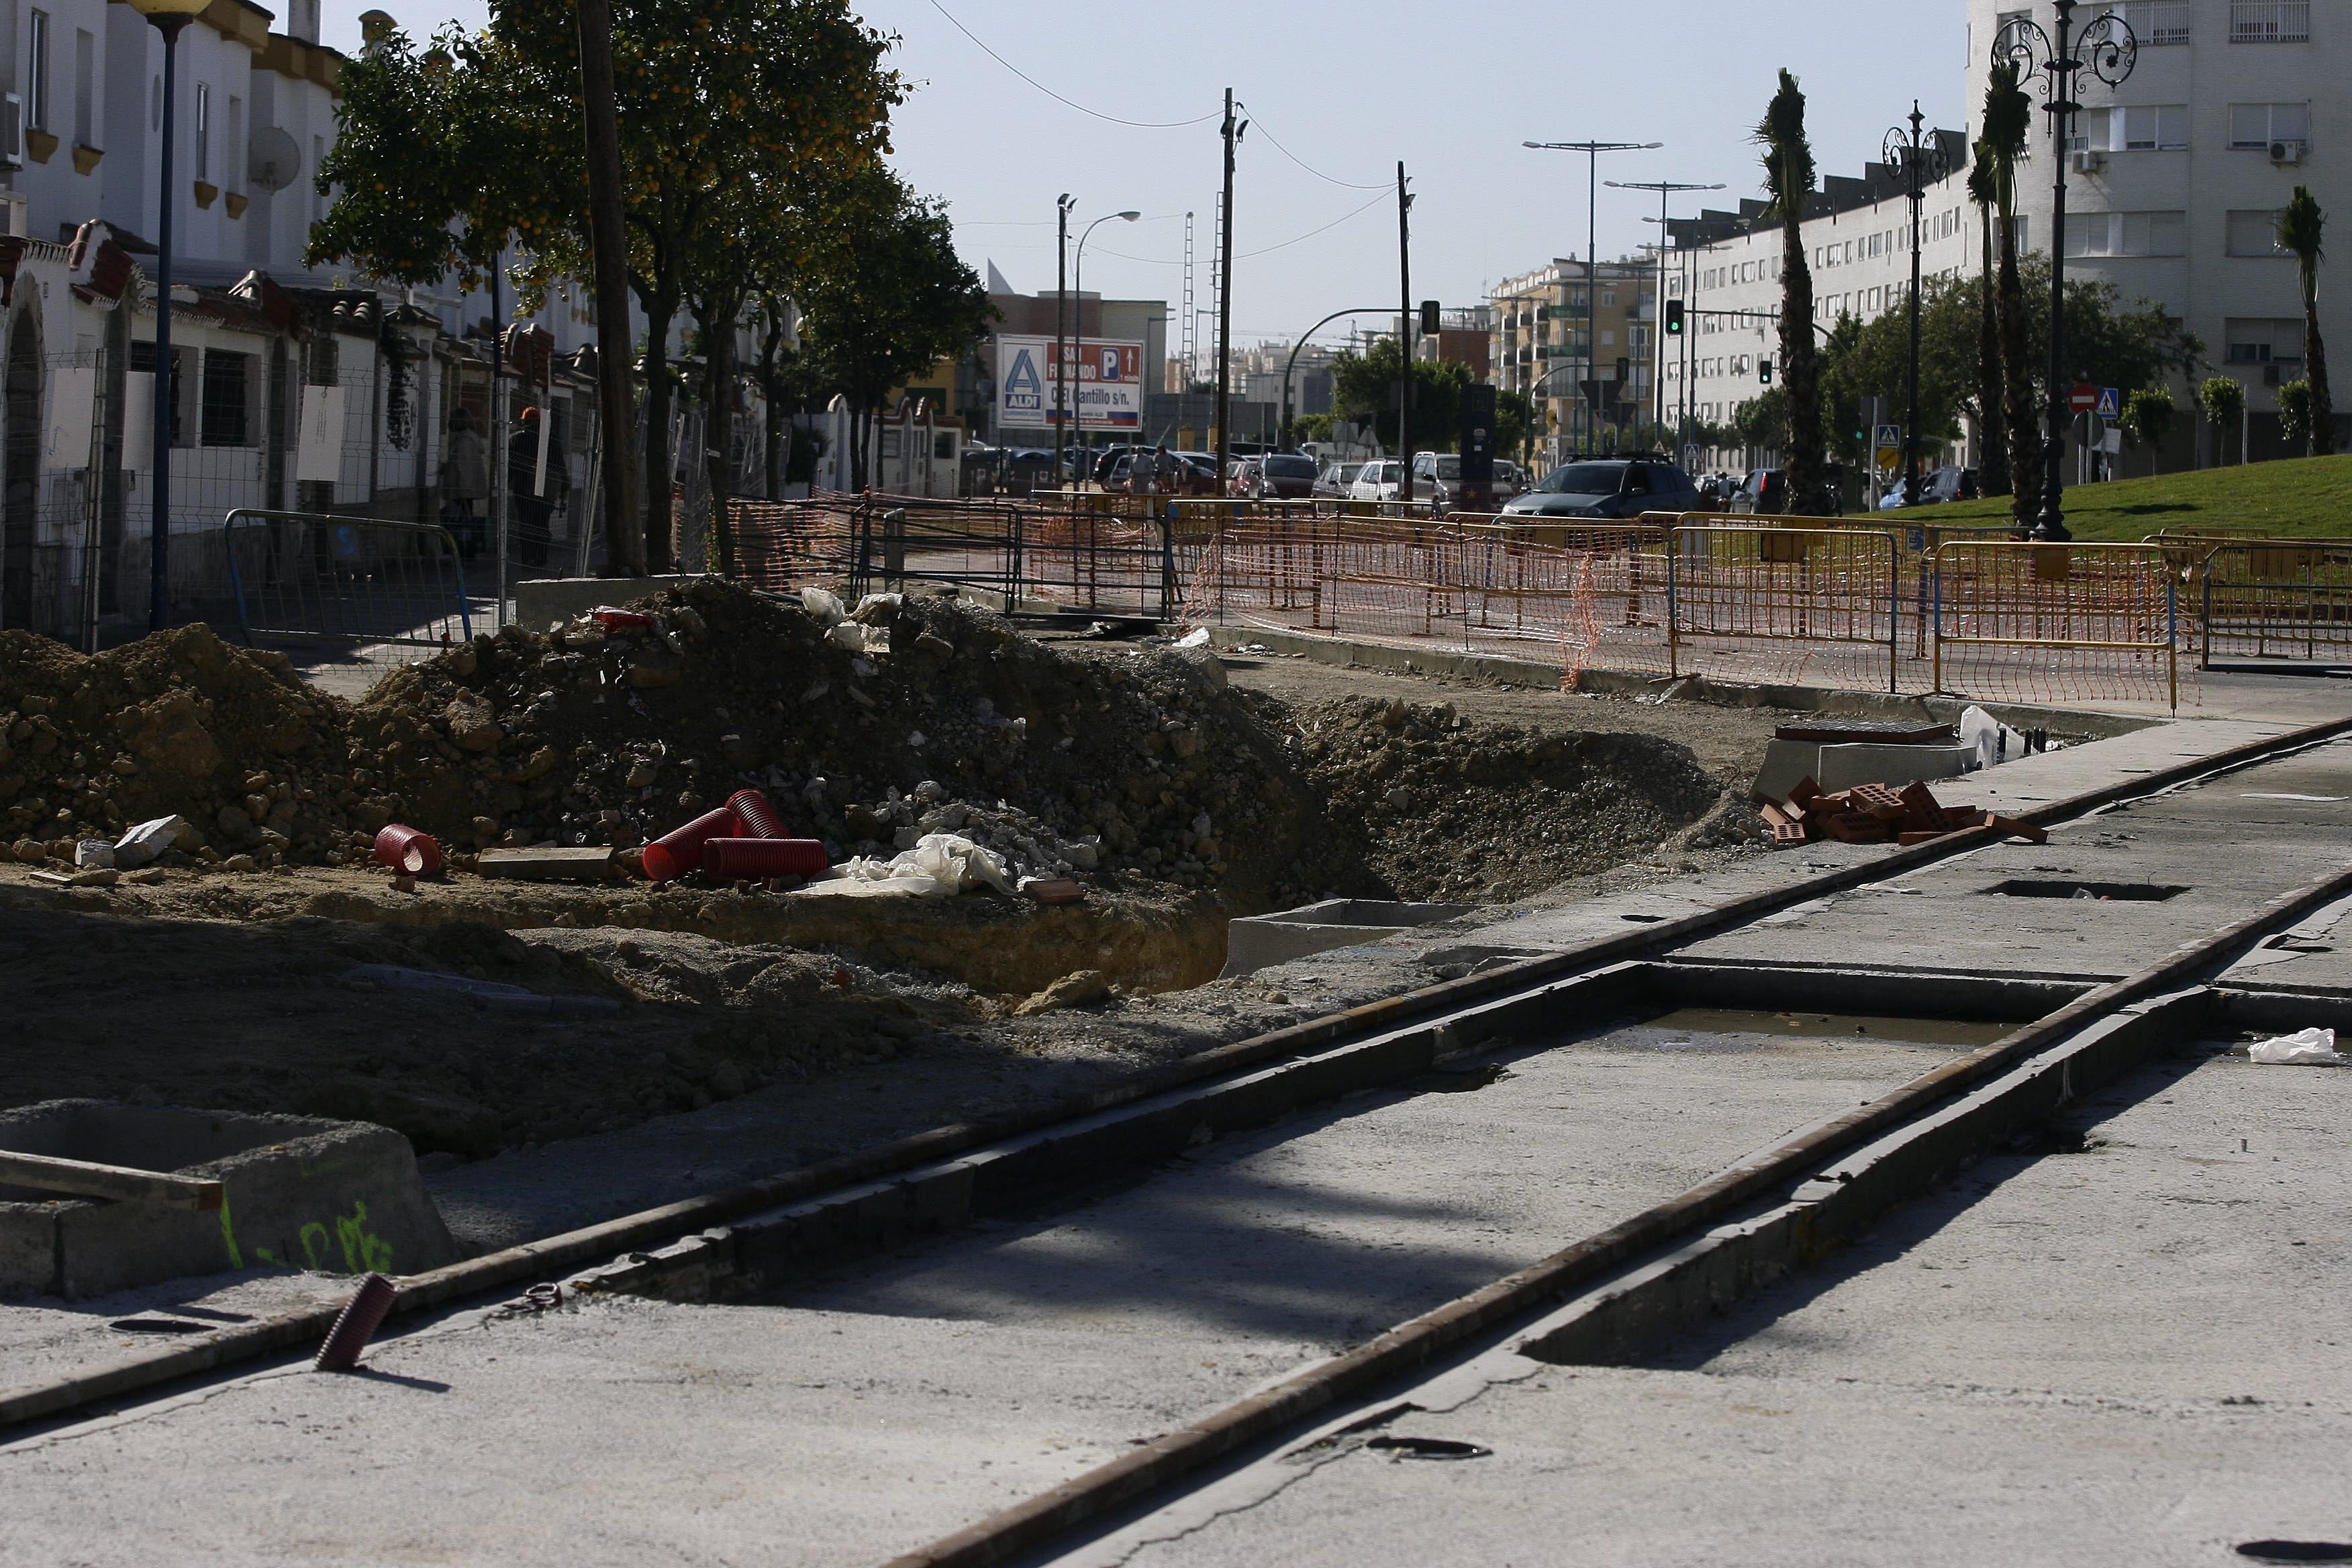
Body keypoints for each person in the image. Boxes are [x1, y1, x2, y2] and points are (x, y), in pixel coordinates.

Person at [507, 406, 556, 569]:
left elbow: (510, 465)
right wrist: (563, 487)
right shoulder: (550, 440)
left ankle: (528, 558)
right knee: (542, 523)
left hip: (523, 489)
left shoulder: (517, 439)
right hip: (546, 491)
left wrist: (507, 482)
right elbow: (559, 465)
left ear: (524, 420)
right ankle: (541, 557)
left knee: (526, 523)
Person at [440, 408, 488, 558]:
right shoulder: (467, 440)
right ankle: (466, 551)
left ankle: (465, 552)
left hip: (462, 490)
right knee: (466, 520)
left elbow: (465, 466)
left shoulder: (464, 442)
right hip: (463, 489)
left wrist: (463, 490)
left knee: (461, 522)